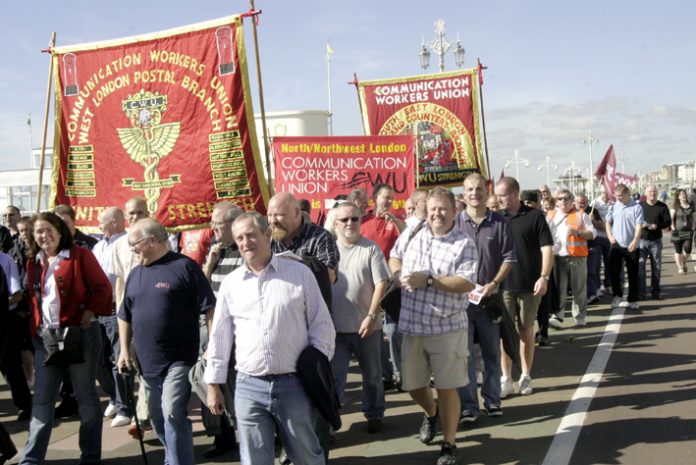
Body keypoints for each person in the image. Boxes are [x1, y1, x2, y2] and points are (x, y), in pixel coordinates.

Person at [205, 212, 335, 465]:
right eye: (239, 238)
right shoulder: (231, 284)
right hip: (248, 388)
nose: (245, 243)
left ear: (266, 235)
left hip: (294, 386)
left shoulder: (299, 274)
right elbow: (219, 337)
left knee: (307, 456)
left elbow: (322, 325)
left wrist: (315, 367)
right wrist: (213, 384)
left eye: (251, 235)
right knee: (254, 460)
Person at [389, 187, 477, 465]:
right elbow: (394, 255)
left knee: (447, 388)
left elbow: (467, 283)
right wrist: (397, 275)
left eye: (442, 209)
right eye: (432, 209)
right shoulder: (414, 232)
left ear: (454, 211)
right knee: (413, 386)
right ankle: (431, 413)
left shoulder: (464, 243)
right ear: (425, 210)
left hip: (447, 328)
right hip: (412, 326)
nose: (437, 214)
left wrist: (429, 281)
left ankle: (449, 444)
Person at [118, 218, 215, 465]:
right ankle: (172, 456)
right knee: (157, 417)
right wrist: (123, 352)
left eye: (134, 243)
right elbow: (124, 315)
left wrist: (211, 346)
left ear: (153, 240)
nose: (132, 249)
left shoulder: (185, 267)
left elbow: (209, 308)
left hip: (180, 358)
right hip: (147, 361)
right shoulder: (135, 274)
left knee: (172, 411)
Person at [19, 212, 112, 465]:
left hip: (81, 336)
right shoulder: (33, 261)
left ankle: (90, 457)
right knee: (42, 399)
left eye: (49, 230)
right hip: (45, 339)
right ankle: (30, 460)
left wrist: (89, 312)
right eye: (39, 231)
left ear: (61, 231)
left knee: (85, 397)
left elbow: (103, 288)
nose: (44, 236)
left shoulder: (80, 255)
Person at [457, 174, 515, 421]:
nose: (474, 193)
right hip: (460, 302)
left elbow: (509, 259)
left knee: (492, 353)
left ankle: (492, 400)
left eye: (479, 188)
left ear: (486, 190)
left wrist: (493, 284)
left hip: (489, 301)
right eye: (470, 189)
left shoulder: (499, 223)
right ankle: (469, 406)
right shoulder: (454, 223)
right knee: (465, 356)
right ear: (464, 192)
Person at [330, 201, 389, 433]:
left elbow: (381, 283)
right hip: (335, 331)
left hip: (367, 327)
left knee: (372, 375)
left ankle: (374, 413)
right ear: (336, 224)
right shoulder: (329, 250)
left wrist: (372, 316)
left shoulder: (370, 249)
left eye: (354, 218)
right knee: (335, 380)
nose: (350, 223)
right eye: (344, 219)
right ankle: (331, 424)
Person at [496, 176, 554, 396]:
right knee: (505, 333)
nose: (499, 200)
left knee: (525, 330)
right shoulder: (496, 218)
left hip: (530, 284)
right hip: (504, 285)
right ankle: (506, 378)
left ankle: (526, 375)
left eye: (502, 195)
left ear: (514, 194)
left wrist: (544, 277)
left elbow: (546, 249)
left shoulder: (536, 217)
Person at [199, 201, 243, 458]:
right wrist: (210, 263)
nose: (213, 227)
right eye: (213, 222)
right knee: (212, 383)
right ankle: (222, 437)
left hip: (238, 331)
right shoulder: (217, 251)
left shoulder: (246, 249)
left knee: (237, 386)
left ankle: (254, 433)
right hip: (213, 328)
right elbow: (202, 290)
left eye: (219, 223)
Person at [109, 196, 152, 438]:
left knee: (149, 366)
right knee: (127, 361)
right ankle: (130, 408)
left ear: (147, 212)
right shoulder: (119, 245)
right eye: (131, 214)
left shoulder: (157, 238)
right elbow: (120, 281)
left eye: (139, 212)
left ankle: (143, 415)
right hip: (129, 314)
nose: (134, 217)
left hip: (153, 311)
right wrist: (119, 310)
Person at [92, 207, 132, 428]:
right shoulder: (98, 245)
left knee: (120, 357)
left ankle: (126, 406)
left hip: (116, 308)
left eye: (102, 221)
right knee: (97, 360)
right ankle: (115, 396)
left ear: (115, 222)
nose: (98, 224)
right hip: (96, 309)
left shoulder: (126, 243)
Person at [546, 189, 595, 327]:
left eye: (567, 198)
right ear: (556, 201)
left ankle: (580, 316)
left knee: (578, 289)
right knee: (558, 289)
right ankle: (558, 316)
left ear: (572, 200)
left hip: (577, 257)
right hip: (557, 257)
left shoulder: (581, 215)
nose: (563, 201)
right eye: (560, 198)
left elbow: (593, 233)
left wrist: (578, 232)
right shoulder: (550, 215)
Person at [606, 184, 643, 310]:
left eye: (620, 196)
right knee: (614, 273)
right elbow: (608, 223)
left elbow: (639, 226)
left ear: (628, 194)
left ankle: (633, 299)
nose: (618, 198)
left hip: (632, 245)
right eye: (616, 196)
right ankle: (617, 295)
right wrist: (610, 236)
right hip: (616, 245)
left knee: (633, 273)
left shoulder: (636, 207)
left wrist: (635, 240)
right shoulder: (613, 206)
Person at [639, 185, 671, 299]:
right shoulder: (640, 206)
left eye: (654, 191)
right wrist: (640, 225)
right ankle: (641, 292)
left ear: (657, 193)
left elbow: (668, 222)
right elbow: (634, 219)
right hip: (641, 240)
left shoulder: (662, 206)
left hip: (656, 241)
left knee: (656, 267)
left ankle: (655, 291)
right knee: (640, 267)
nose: (652, 193)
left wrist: (657, 226)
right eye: (650, 191)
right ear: (646, 193)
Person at [573, 194, 603, 305]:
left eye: (584, 202)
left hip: (592, 246)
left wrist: (593, 221)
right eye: (580, 202)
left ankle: (592, 293)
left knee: (591, 270)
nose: (582, 204)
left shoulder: (592, 210)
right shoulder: (572, 213)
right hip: (578, 247)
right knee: (580, 273)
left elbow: (602, 226)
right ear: (575, 202)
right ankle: (584, 294)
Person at [669, 189, 695, 275]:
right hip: (677, 232)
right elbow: (671, 218)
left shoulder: (691, 205)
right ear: (678, 197)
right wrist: (673, 228)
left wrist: (693, 226)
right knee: (678, 251)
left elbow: (694, 216)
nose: (683, 195)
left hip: (688, 231)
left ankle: (683, 261)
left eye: (684, 194)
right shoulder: (675, 206)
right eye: (680, 194)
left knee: (688, 249)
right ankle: (680, 267)